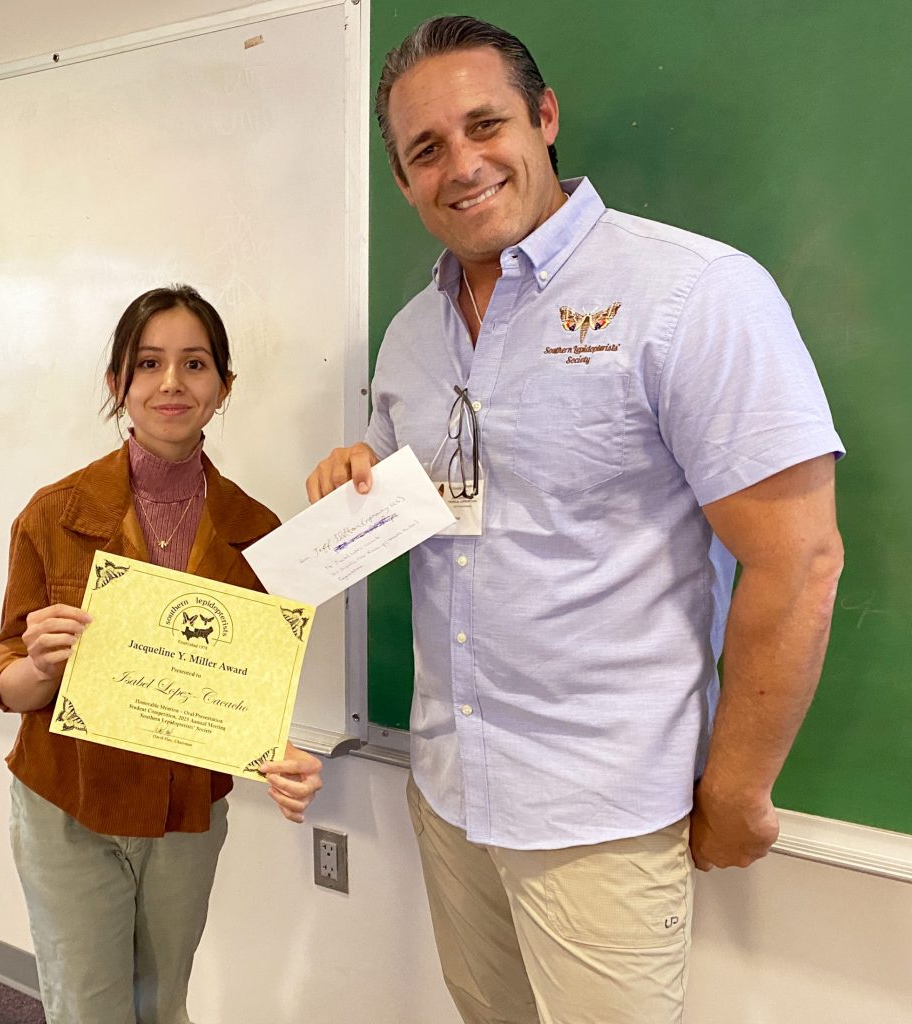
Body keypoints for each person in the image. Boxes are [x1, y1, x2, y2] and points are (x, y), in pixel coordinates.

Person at [307, 16, 844, 1024]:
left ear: (545, 117)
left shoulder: (693, 296)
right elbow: (421, 488)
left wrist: (736, 787)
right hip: (449, 787)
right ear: (403, 180)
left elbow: (801, 560)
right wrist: (360, 472)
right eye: (426, 149)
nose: (461, 164)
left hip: (601, 813)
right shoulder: (412, 333)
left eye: (485, 124)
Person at [0, 285, 323, 1024]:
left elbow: (246, 695)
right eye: (149, 364)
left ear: (224, 387)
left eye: (195, 364)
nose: (172, 384)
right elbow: (7, 684)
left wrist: (280, 755)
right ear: (119, 384)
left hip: (184, 815)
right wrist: (41, 666)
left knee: (162, 1003)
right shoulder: (54, 513)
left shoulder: (256, 533)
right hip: (67, 803)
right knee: (88, 1008)